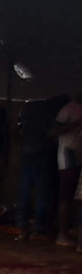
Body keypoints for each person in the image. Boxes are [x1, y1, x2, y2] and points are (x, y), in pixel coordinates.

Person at [13, 96, 64, 242]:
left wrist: (19, 148)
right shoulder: (53, 106)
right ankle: (39, 228)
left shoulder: (28, 107)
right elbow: (52, 132)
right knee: (43, 192)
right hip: (44, 153)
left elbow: (16, 130)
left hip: (27, 153)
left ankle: (22, 227)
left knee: (25, 191)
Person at [50, 93, 82, 247]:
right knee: (66, 195)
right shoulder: (68, 109)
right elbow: (53, 131)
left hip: (77, 155)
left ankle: (73, 228)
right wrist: (75, 123)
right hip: (68, 155)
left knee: (77, 195)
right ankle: (62, 234)